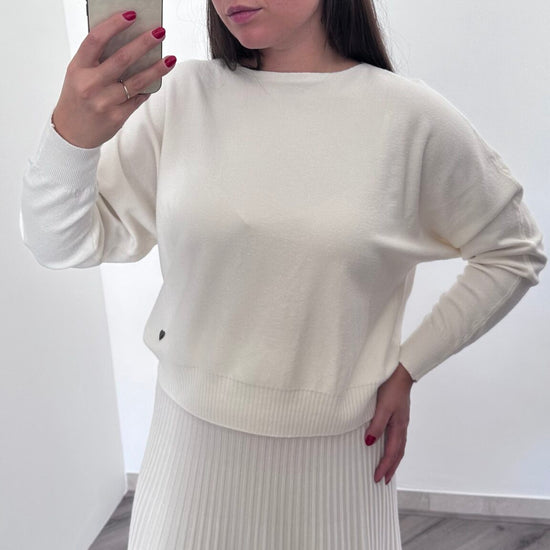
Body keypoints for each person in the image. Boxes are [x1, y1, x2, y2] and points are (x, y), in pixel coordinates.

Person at [20, 0, 547, 549]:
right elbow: (60, 243)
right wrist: (70, 137)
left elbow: (513, 250)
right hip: (187, 460)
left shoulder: (411, 118)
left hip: (339, 472)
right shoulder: (183, 98)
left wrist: (409, 367)